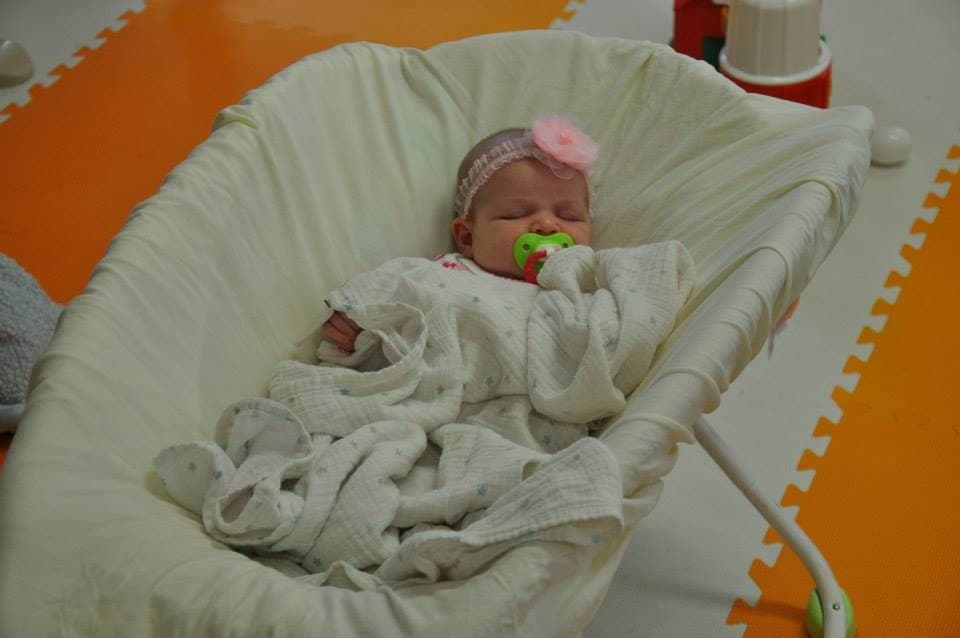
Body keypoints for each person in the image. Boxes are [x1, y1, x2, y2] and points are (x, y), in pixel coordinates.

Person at [322, 114, 599, 354]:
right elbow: (388, 287)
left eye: (568, 216)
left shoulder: (588, 288)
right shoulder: (445, 273)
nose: (547, 226)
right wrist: (354, 318)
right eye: (516, 214)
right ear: (466, 237)